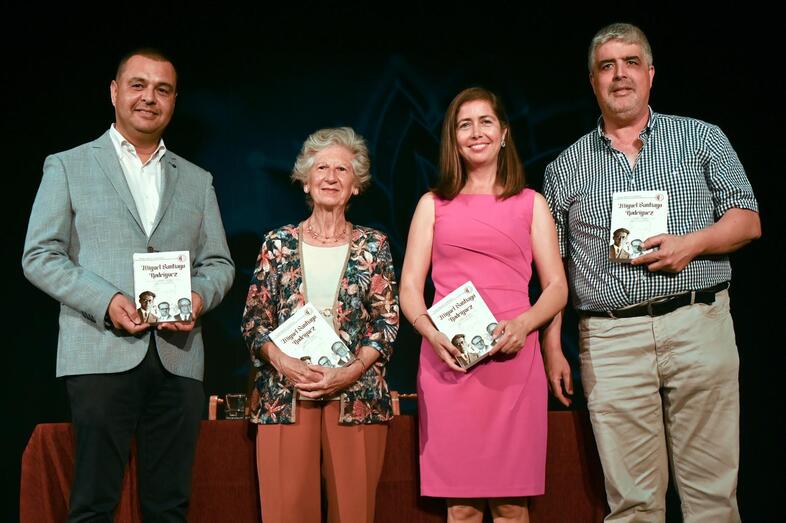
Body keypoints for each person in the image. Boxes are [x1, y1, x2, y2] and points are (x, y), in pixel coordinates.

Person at [542, 23, 760, 523]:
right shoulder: (564, 167)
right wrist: (553, 347)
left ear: (651, 74)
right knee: (633, 505)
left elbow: (748, 220)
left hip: (697, 324)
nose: (620, 75)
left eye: (631, 63)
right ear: (593, 81)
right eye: (607, 66)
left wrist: (694, 244)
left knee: (712, 498)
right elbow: (555, 271)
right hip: (611, 340)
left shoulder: (702, 138)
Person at [21, 48, 235, 520]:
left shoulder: (197, 180)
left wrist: (198, 297)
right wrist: (108, 300)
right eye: (138, 85)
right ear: (115, 92)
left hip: (178, 360)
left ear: (174, 100)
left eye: (162, 89)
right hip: (100, 352)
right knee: (95, 502)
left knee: (170, 506)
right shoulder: (68, 165)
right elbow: (39, 256)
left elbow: (219, 262)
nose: (149, 98)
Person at [400, 87, 567, 522]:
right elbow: (410, 290)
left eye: (486, 122)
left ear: (505, 133)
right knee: (462, 508)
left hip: (514, 362)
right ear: (453, 138)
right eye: (464, 124)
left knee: (513, 506)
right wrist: (433, 335)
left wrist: (525, 324)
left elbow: (556, 288)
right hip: (450, 363)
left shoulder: (532, 203)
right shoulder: (431, 204)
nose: (476, 132)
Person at [241, 127, 399, 523]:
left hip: (357, 397)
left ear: (357, 185)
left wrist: (349, 371)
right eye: (322, 168)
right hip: (284, 396)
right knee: (286, 513)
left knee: (354, 514)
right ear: (306, 182)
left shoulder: (374, 245)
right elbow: (254, 320)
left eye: (342, 169)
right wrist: (283, 363)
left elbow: (386, 321)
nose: (331, 177)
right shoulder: (277, 244)